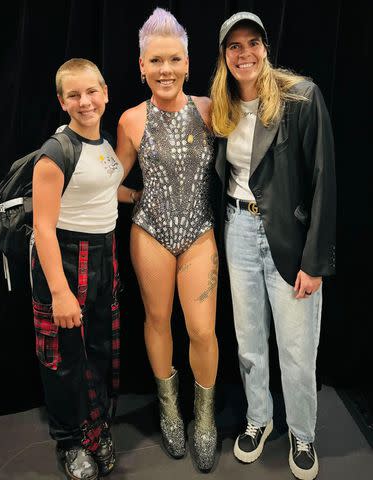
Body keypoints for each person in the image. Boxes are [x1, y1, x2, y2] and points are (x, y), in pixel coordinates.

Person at [210, 11, 336, 480]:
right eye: (234, 46)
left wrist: (316, 260)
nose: (245, 54)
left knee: (298, 346)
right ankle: (258, 419)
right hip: (238, 228)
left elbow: (325, 178)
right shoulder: (221, 107)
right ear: (224, 56)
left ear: (266, 48)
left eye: (253, 44)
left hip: (289, 235)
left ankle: (303, 432)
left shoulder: (300, 97)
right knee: (248, 339)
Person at [115, 7, 218, 472]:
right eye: (156, 61)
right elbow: (110, 181)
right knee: (158, 319)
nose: (166, 70)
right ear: (142, 66)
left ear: (188, 63)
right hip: (151, 232)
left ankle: (204, 417)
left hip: (199, 231)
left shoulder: (210, 110)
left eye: (174, 60)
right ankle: (170, 409)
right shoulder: (131, 120)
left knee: (201, 329)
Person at [32, 58, 138, 480]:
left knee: (96, 349)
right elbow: (42, 226)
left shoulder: (106, 144)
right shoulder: (55, 152)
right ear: (62, 101)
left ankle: (95, 429)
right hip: (64, 257)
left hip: (103, 254)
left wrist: (154, 198)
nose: (85, 101)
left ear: (106, 92)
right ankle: (70, 441)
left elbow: (108, 193)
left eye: (91, 91)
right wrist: (59, 291)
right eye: (73, 95)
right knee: (63, 358)